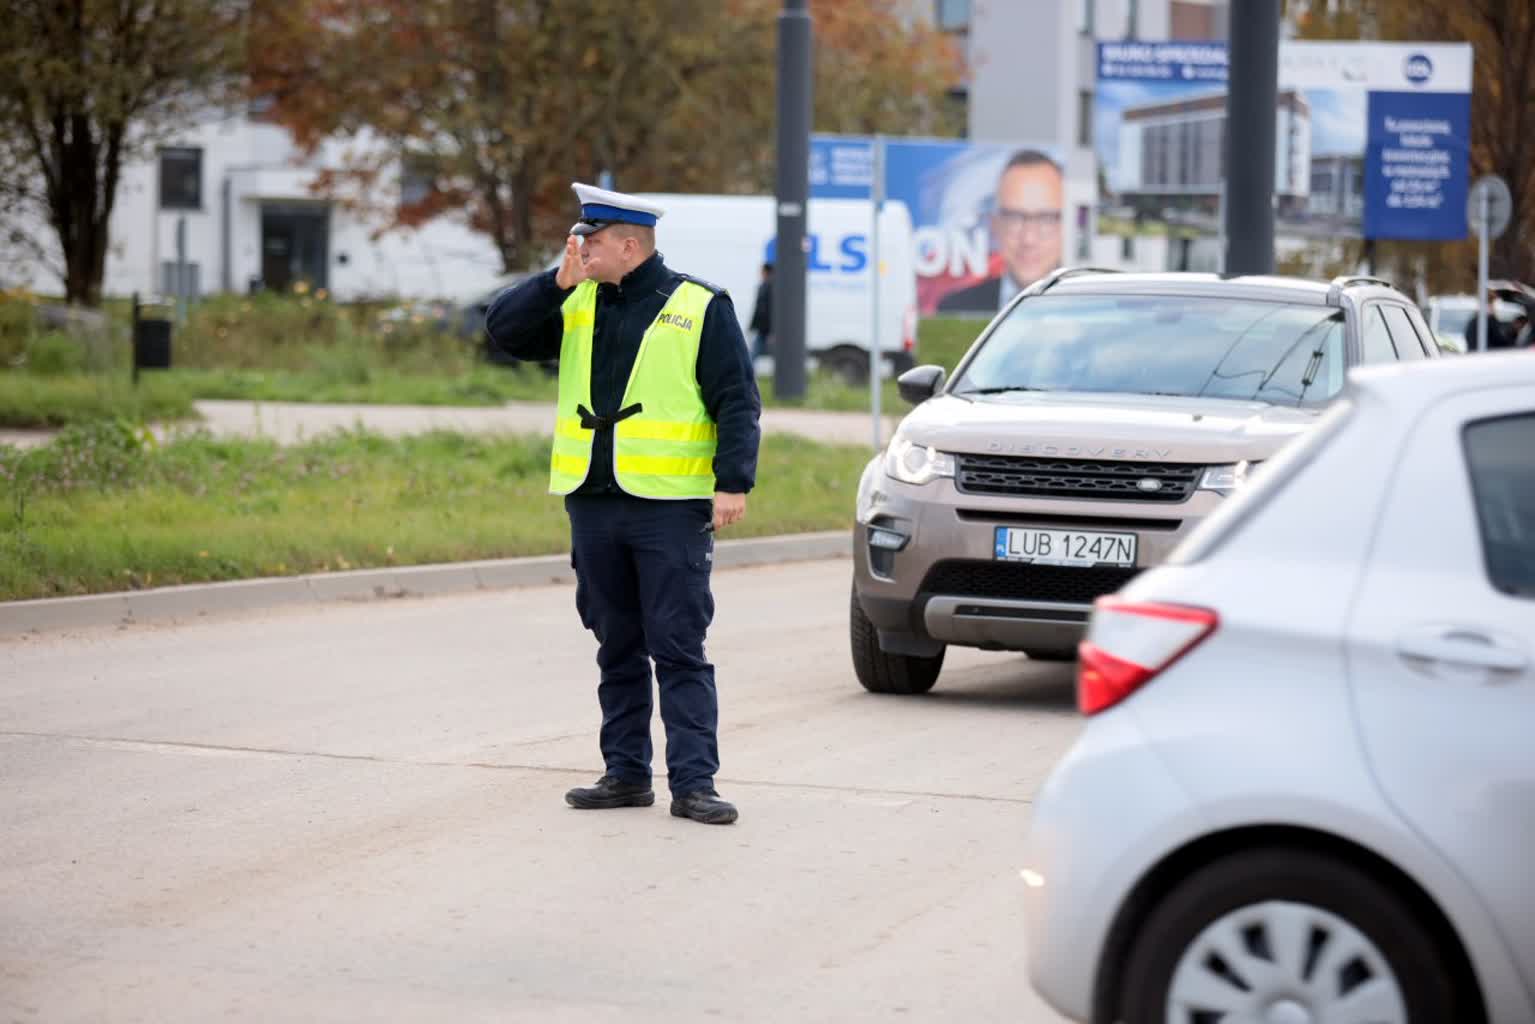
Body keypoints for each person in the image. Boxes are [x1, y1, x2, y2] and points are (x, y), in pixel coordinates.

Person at [484, 183, 762, 826]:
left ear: (629, 246)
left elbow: (736, 399)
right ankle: (626, 774)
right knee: (616, 644)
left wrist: (733, 482)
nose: (580, 250)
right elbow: (502, 332)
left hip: (670, 506)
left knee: (678, 646)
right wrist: (555, 281)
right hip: (593, 501)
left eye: (591, 242)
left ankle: (695, 784)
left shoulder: (699, 306)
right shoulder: (576, 297)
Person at [937, 150, 1065, 314]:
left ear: (1066, 224)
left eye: (1045, 218)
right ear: (995, 224)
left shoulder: (1089, 309)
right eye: (1015, 218)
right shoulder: (956, 310)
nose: (1029, 239)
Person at [749, 262, 773, 360]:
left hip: (767, 329)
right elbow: (758, 309)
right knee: (754, 353)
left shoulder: (772, 288)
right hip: (762, 328)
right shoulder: (763, 287)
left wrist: (772, 331)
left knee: (753, 354)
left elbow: (770, 310)